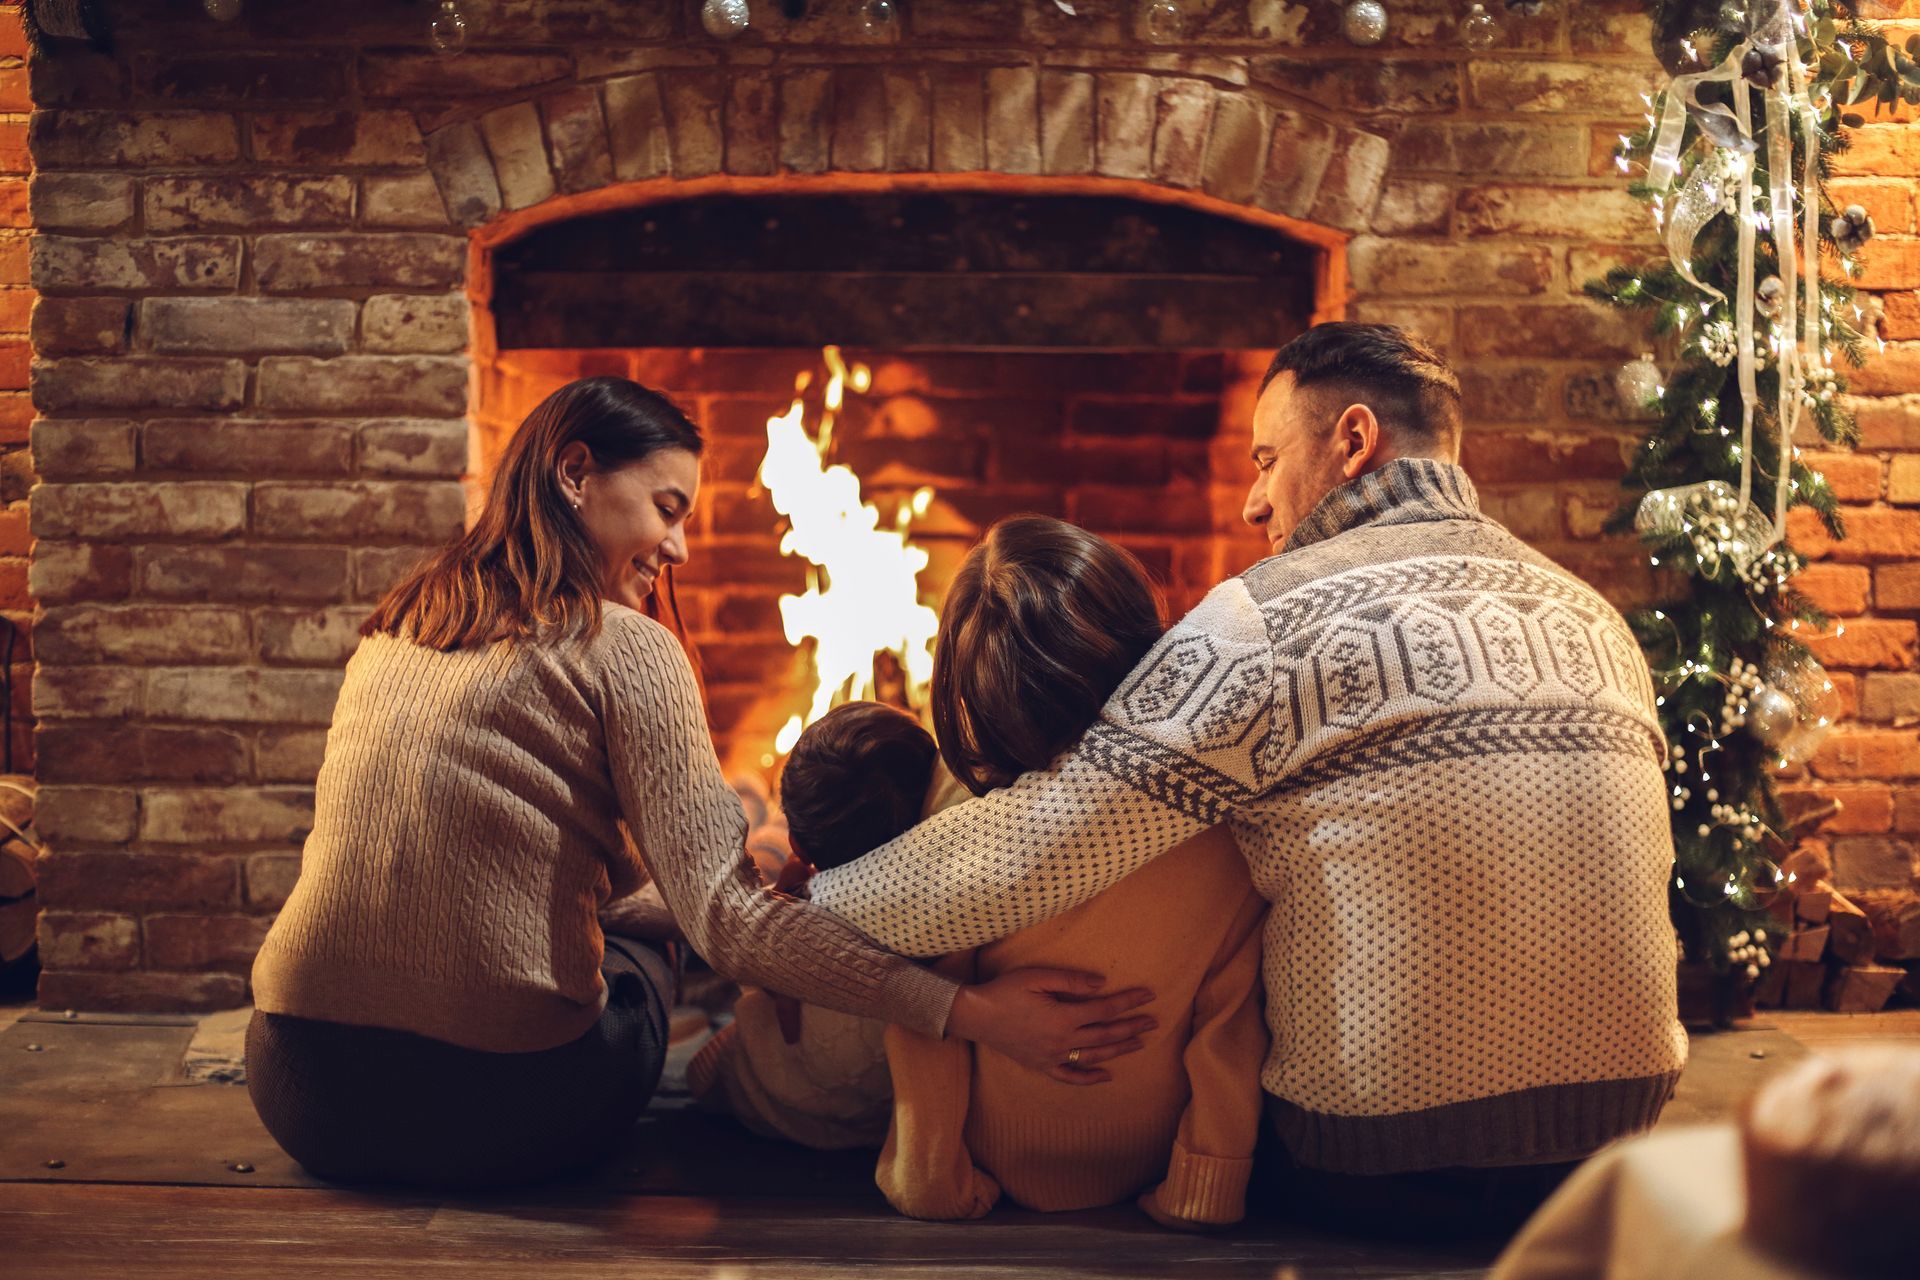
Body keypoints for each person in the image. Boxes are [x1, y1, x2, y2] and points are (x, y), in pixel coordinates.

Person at [806, 324, 1689, 1236]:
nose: (1252, 504)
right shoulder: (1592, 615)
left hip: (1380, 1157)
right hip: (1612, 1138)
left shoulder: (1265, 620)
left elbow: (1028, 854)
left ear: (1352, 442)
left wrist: (795, 908)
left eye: (1267, 460)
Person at [244, 376, 1155, 1189]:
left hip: (301, 1090)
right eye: (667, 508)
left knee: (620, 901)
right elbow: (728, 928)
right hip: (505, 1115)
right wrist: (973, 1013)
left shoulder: (404, 621)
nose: (677, 547)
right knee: (665, 944)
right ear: (574, 473)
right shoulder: (621, 644)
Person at [876, 516, 1267, 1229]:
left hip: (987, 1152)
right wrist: (1203, 1189)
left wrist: (930, 1179)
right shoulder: (1218, 826)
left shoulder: (958, 818)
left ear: (968, 687)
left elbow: (920, 1015)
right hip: (1148, 1154)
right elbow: (1231, 1026)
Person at [687, 701, 937, 1150]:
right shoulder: (948, 901)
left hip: (783, 1101)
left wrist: (782, 899)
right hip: (892, 1111)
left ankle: (746, 802)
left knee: (704, 1065)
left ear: (798, 844)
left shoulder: (790, 917)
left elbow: (749, 975)